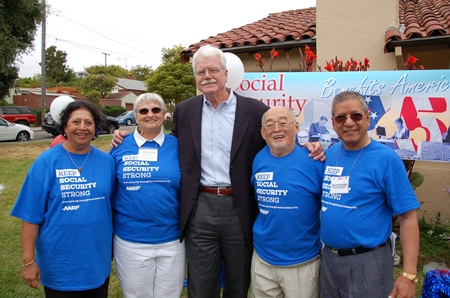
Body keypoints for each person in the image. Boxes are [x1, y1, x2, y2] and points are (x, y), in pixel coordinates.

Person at [112, 45, 324, 298]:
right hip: (199, 205)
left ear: (225, 73)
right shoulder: (186, 110)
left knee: (238, 280)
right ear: (195, 78)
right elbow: (169, 146)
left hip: (240, 206)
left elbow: (277, 138)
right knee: (201, 283)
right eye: (200, 72)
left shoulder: (255, 110)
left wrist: (308, 145)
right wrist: (128, 138)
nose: (207, 76)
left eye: (213, 70)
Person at [320, 91, 420, 298]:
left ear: (367, 118)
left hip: (367, 262)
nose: (349, 123)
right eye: (341, 117)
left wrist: (409, 274)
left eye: (355, 116)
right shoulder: (328, 155)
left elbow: (408, 217)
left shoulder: (386, 159)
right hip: (330, 260)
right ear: (333, 122)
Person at [10, 100, 115, 297]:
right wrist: (28, 261)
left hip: (96, 263)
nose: (82, 127)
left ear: (96, 128)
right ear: (64, 127)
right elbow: (30, 216)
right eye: (76, 122)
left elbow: (110, 208)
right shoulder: (46, 162)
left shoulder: (107, 161)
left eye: (89, 122)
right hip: (60, 265)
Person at [109, 93, 185, 298]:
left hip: (172, 240)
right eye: (143, 111)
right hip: (131, 240)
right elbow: (109, 190)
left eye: (156, 109)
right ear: (135, 115)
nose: (150, 114)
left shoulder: (179, 145)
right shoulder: (119, 146)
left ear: (164, 114)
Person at [251, 106, 323, 298]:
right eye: (270, 125)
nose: (277, 129)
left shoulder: (314, 161)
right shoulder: (257, 160)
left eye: (283, 122)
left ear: (296, 127)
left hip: (302, 263)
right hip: (262, 260)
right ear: (262, 132)